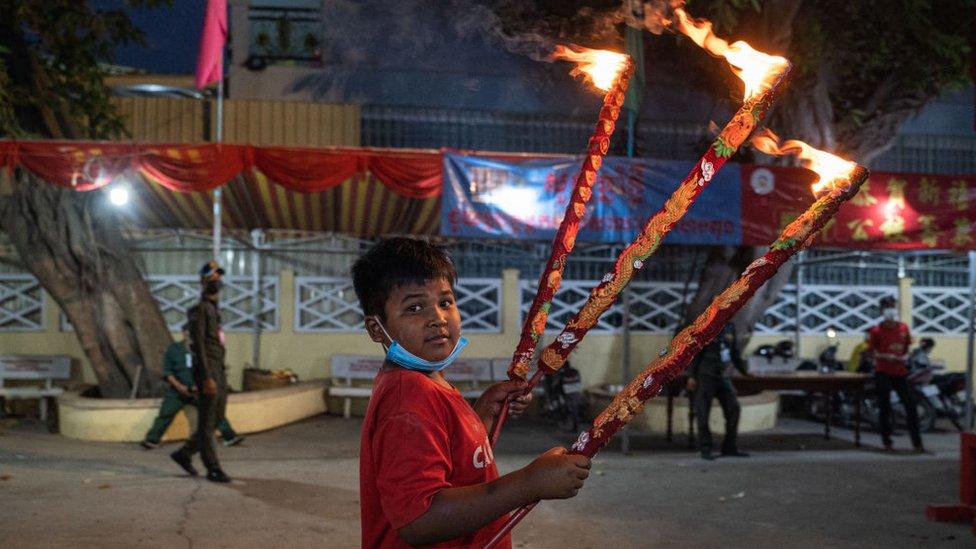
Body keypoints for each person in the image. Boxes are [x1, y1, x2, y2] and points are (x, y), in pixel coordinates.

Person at [353, 237, 590, 548]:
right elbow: (419, 521)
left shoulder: (426, 382)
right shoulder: (408, 398)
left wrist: (481, 417)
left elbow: (448, 458)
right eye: (414, 307)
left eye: (445, 302)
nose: (437, 318)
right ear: (375, 328)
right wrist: (529, 483)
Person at [169, 261, 232, 483]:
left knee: (218, 417)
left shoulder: (214, 309)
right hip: (208, 371)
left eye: (218, 277)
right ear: (203, 282)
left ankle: (184, 454)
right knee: (207, 422)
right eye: (211, 277)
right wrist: (206, 377)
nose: (216, 280)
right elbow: (199, 345)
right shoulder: (199, 310)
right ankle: (212, 467)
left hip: (219, 369)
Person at [140, 325, 244, 450]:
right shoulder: (174, 349)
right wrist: (179, 386)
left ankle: (230, 436)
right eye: (188, 334)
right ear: (183, 334)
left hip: (199, 390)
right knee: (165, 413)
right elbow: (167, 372)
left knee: (214, 412)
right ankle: (152, 440)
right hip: (177, 391)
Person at [866, 296, 924, 452]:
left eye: (892, 306)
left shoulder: (903, 328)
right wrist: (884, 356)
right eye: (886, 307)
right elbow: (870, 353)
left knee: (910, 404)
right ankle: (887, 442)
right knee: (884, 405)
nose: (890, 309)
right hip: (883, 371)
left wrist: (905, 357)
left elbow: (907, 350)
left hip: (900, 372)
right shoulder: (876, 331)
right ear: (881, 310)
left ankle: (917, 443)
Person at [687, 323, 749, 460]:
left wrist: (745, 372)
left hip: (723, 375)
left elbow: (734, 352)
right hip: (705, 375)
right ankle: (705, 448)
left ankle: (730, 447)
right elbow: (695, 352)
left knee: (734, 409)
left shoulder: (730, 327)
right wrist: (692, 375)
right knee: (703, 412)